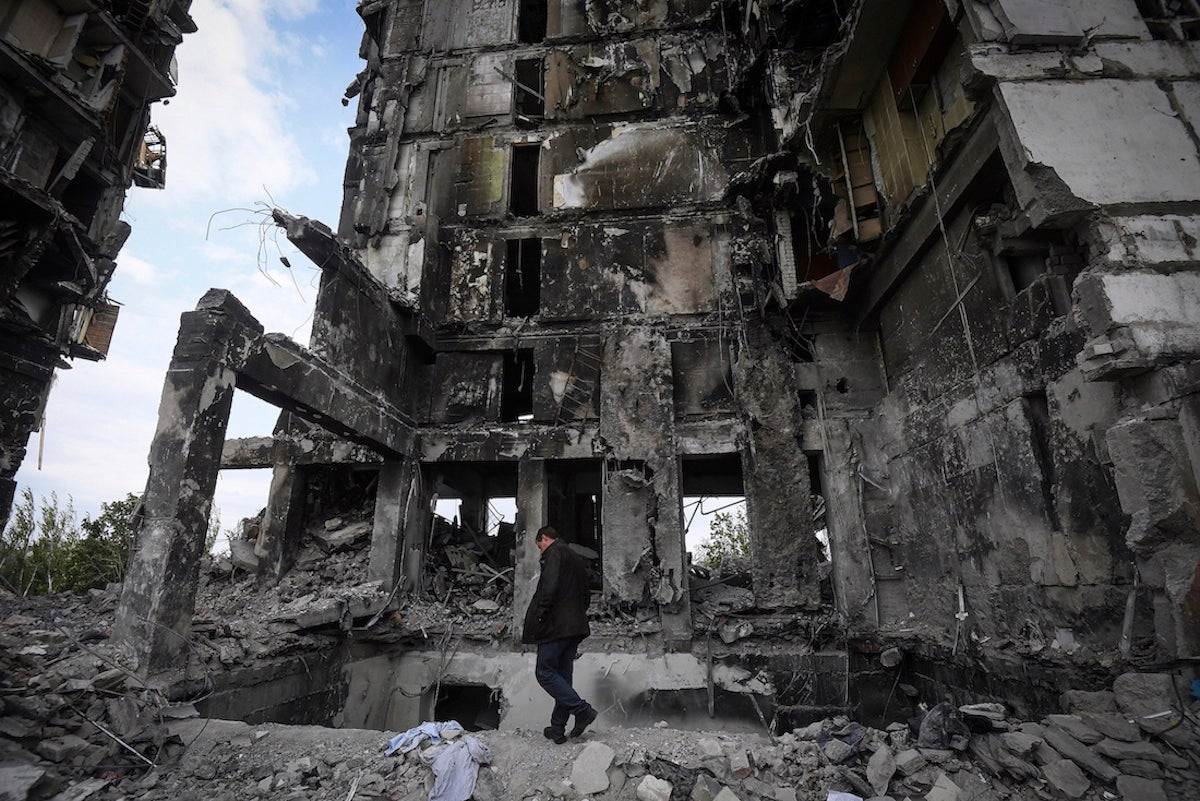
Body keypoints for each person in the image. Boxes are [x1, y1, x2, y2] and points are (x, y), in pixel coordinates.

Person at [521, 525, 597, 744]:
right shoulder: (575, 556)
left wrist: (541, 615)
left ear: (544, 538)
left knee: (544, 672)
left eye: (540, 546)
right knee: (562, 677)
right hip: (574, 627)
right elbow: (586, 594)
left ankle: (582, 710)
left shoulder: (555, 552)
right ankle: (557, 728)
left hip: (555, 626)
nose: (541, 551)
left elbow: (549, 587)